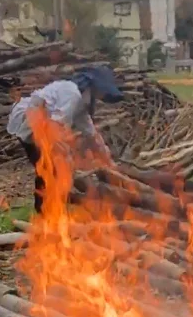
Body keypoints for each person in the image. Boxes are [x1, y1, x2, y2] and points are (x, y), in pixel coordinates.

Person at [6, 66, 124, 213]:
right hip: (30, 123)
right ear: (93, 86)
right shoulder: (72, 94)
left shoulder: (80, 102)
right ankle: (46, 212)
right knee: (50, 168)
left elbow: (92, 135)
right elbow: (56, 127)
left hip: (43, 126)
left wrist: (109, 163)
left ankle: (51, 209)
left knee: (53, 168)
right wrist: (67, 156)